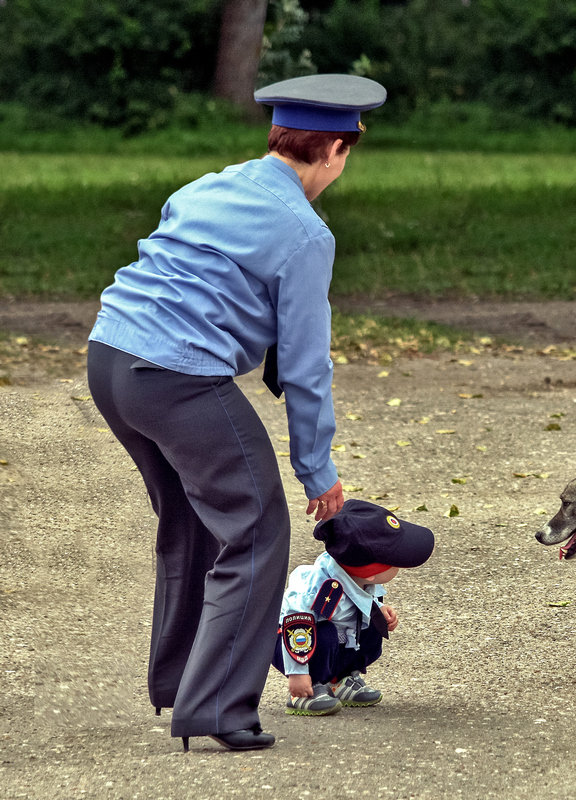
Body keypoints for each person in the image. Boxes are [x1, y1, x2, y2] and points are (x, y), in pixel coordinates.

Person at [85, 74, 387, 751]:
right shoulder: (306, 234)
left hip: (109, 356)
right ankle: (218, 708)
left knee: (193, 519)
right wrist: (317, 471)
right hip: (174, 377)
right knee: (254, 531)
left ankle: (179, 684)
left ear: (278, 135)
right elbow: (308, 367)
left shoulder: (205, 187)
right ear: (337, 149)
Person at [274, 500, 435, 716]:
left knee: (372, 628)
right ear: (370, 573)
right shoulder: (319, 590)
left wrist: (378, 609)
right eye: (395, 563)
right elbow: (297, 628)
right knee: (326, 635)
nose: (399, 567)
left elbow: (360, 599)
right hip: (294, 642)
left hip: (340, 637)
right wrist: (297, 673)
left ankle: (340, 679)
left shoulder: (356, 575)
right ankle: (306, 691)